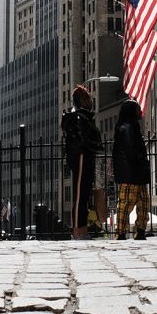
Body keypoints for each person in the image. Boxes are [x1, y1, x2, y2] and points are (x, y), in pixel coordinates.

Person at [61, 85, 102, 240]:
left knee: (84, 195)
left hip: (86, 156)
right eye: (87, 98)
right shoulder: (77, 117)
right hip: (81, 157)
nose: (90, 101)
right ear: (82, 100)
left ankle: (82, 229)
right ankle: (78, 231)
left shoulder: (83, 117)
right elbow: (80, 140)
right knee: (80, 195)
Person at [112, 99, 151, 240]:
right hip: (130, 172)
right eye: (137, 109)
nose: (140, 112)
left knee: (144, 202)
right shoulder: (126, 128)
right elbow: (131, 150)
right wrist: (141, 160)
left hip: (137, 171)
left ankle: (140, 230)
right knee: (126, 203)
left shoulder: (131, 126)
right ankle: (120, 232)